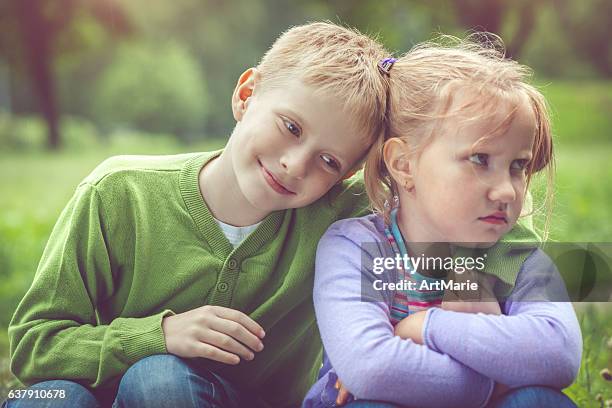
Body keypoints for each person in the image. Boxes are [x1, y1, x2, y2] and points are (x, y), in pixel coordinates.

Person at [3, 22, 392, 408]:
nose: (295, 164)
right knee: (49, 399)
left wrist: (417, 331)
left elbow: (449, 240)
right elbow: (33, 347)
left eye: (328, 160)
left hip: (223, 398)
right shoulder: (119, 192)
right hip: (104, 395)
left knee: (160, 380)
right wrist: (161, 335)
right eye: (291, 127)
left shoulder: (343, 214)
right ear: (245, 95)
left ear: (350, 173)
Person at [303, 35, 582, 408]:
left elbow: (559, 354)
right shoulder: (356, 247)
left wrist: (424, 328)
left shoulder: (518, 256)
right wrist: (494, 384)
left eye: (518, 166)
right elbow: (372, 369)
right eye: (480, 159)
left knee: (538, 399)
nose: (507, 191)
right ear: (404, 164)